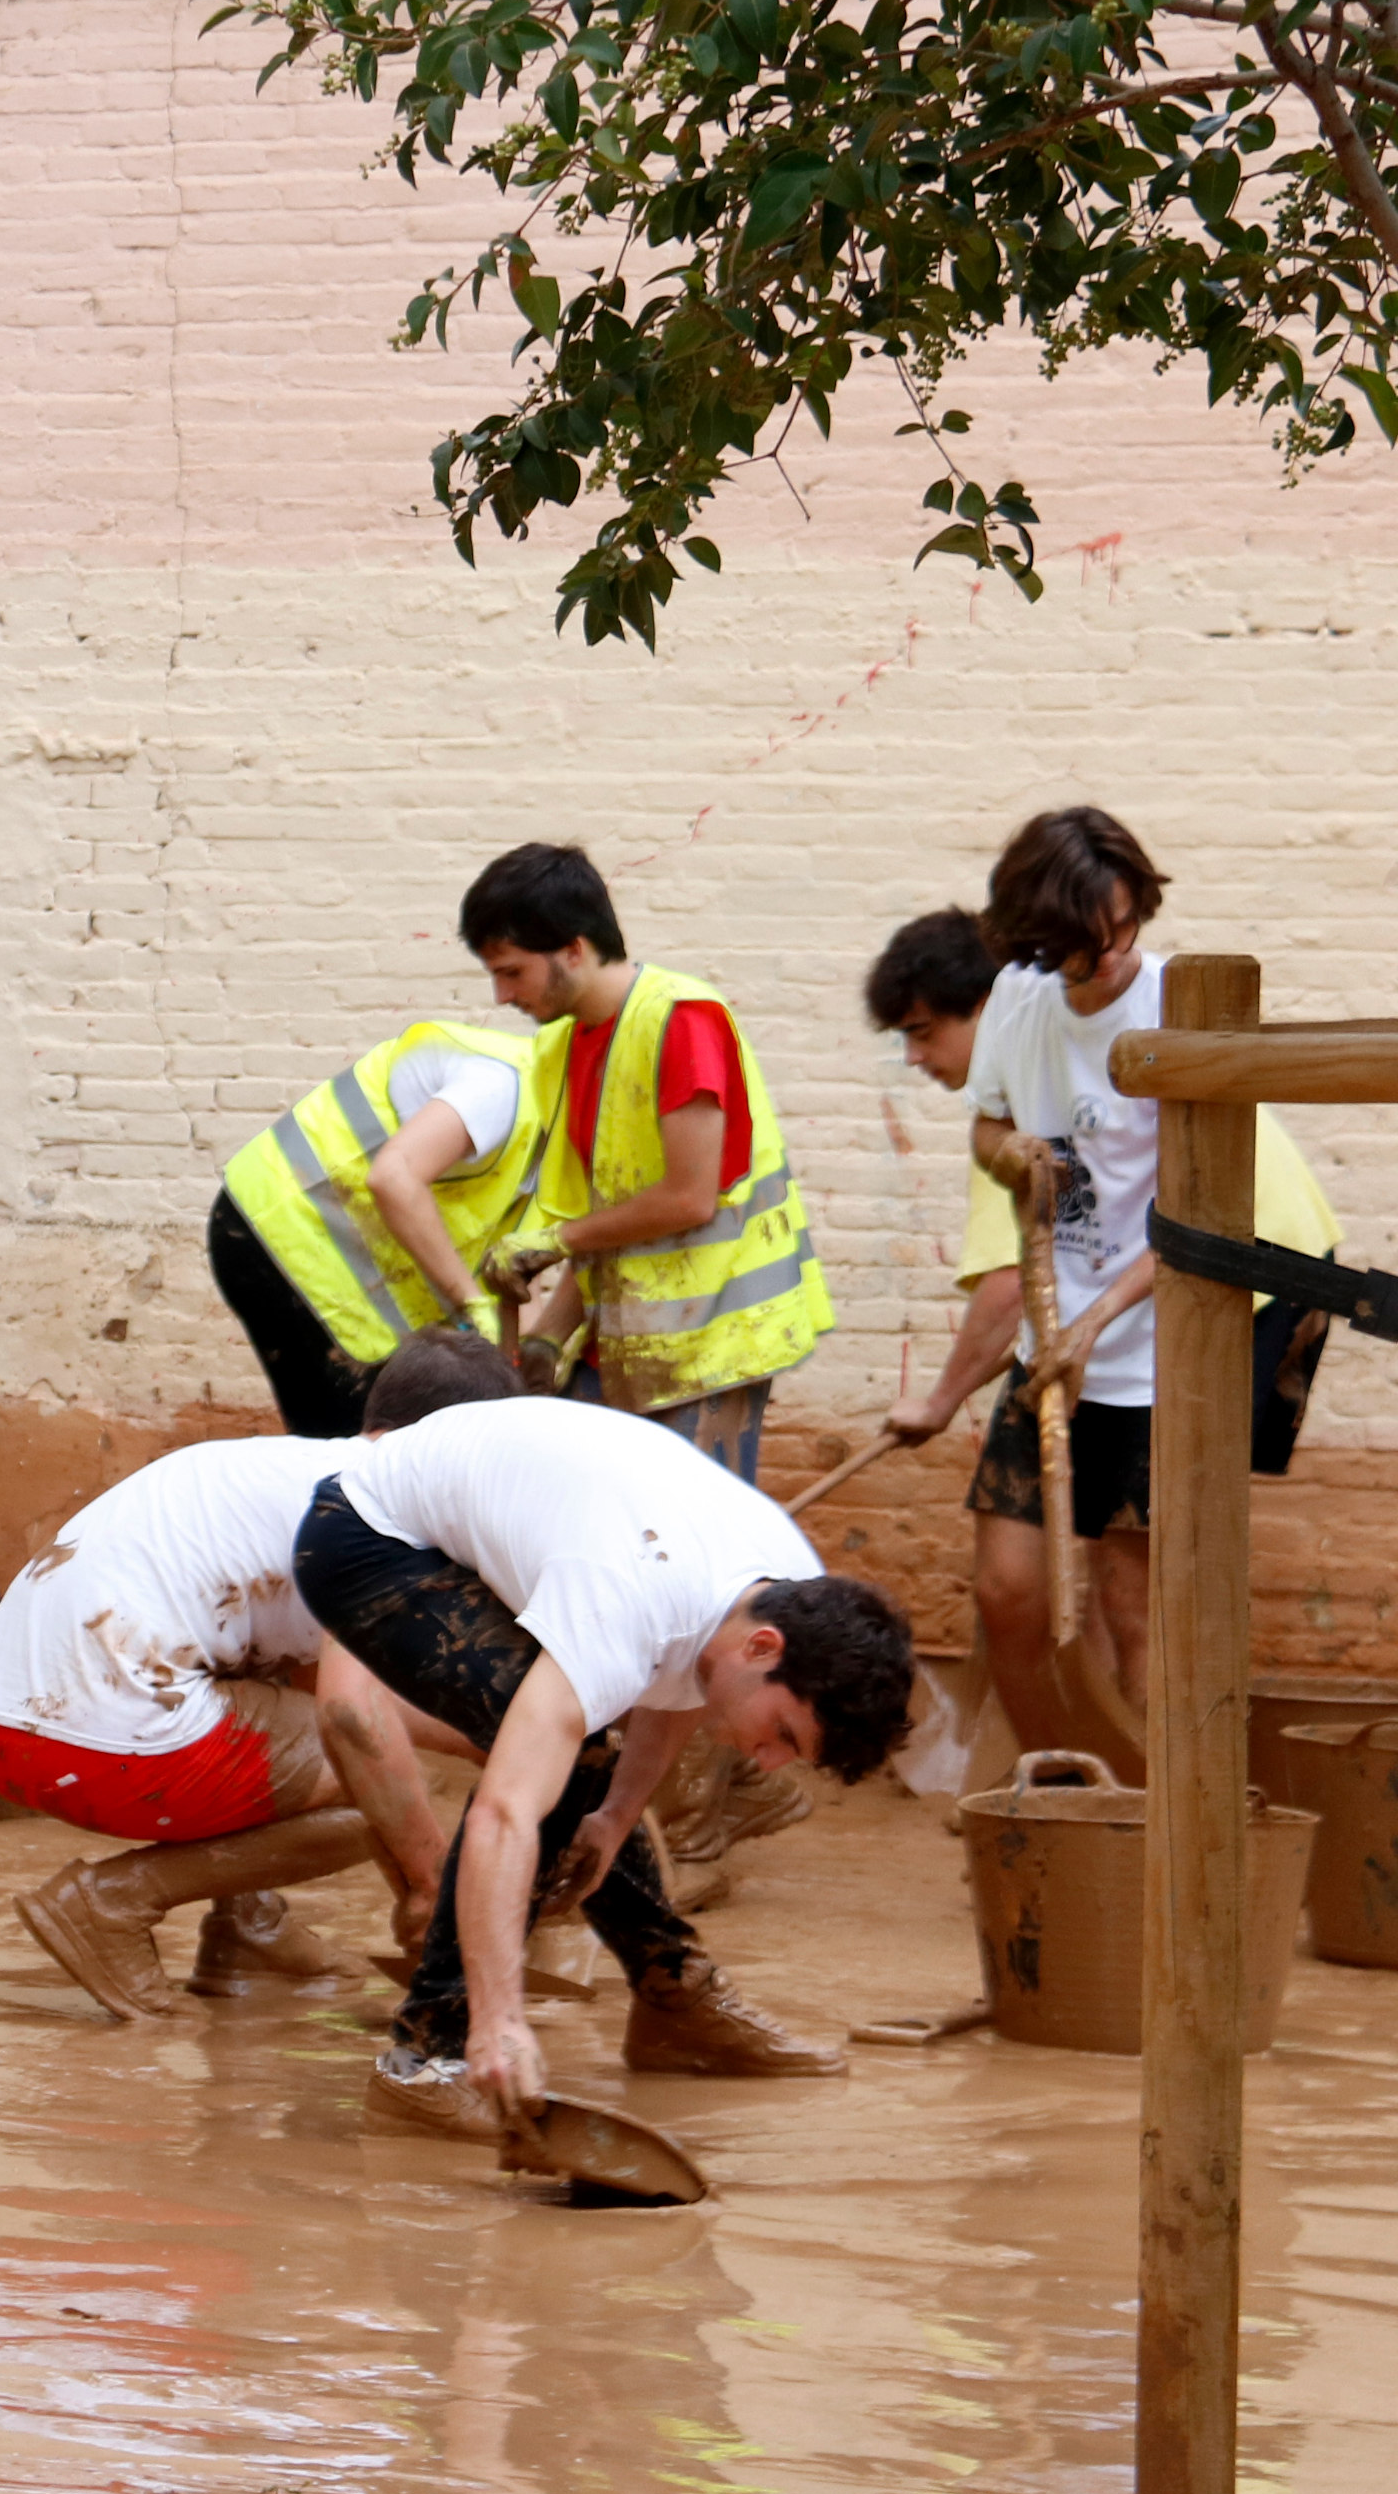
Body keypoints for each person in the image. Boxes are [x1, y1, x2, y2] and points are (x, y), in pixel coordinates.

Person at [291, 1394, 915, 2139]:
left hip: (545, 1524)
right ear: (765, 1649)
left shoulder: (784, 1590)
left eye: (791, 1755)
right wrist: (500, 2019)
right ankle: (432, 2057)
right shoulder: (631, 1598)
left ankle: (668, 1995)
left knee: (590, 1778)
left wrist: (617, 1818)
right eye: (779, 1733)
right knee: (567, 1761)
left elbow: (687, 1676)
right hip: (366, 1537)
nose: (765, 1760)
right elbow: (505, 1812)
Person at [863, 899, 1339, 1766]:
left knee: (1133, 1583)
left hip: (1250, 1282)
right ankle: (1073, 1780)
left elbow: (1011, 1291)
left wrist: (936, 1401)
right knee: (1018, 1580)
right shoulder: (1011, 1116)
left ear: (993, 1009)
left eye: (927, 1032)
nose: (917, 1059)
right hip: (1108, 1307)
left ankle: (1145, 1810)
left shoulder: (1042, 1060)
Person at [0, 1325, 525, 2020]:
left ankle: (246, 1930)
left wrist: (494, 1740)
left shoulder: (275, 1469)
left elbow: (307, 1689)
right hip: (98, 1745)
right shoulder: (378, 1516)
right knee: (382, 1777)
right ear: (462, 1448)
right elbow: (358, 1721)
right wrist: (432, 1884)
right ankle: (111, 1902)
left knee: (284, 1713)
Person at [460, 843, 832, 1471]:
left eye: (512, 971)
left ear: (573, 950)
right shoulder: (565, 1046)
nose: (501, 995)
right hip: (630, 1348)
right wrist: (552, 1332)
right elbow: (612, 1221)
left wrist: (551, 1240)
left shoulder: (682, 1020)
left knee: (689, 1551)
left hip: (713, 1349)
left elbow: (688, 1198)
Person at [208, 1020, 555, 1437]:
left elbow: (513, 1276)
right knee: (351, 1448)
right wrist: (473, 1303)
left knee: (377, 1442)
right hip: (276, 1233)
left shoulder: (553, 1159)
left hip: (337, 1273)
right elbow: (392, 1177)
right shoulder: (501, 1086)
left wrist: (531, 1357)